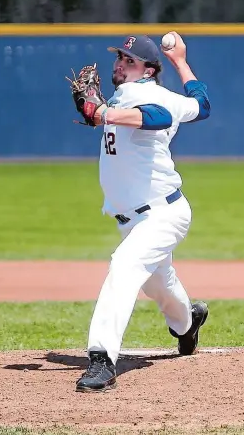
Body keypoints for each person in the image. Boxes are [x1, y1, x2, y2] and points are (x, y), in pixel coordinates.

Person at [75, 32, 211, 393]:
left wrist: (105, 114)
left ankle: (101, 360)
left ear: (148, 71)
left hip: (163, 214)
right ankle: (188, 324)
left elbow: (157, 115)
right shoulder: (128, 94)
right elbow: (201, 104)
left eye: (129, 60)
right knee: (160, 285)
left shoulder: (146, 95)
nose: (120, 63)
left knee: (124, 266)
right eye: (119, 57)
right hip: (134, 219)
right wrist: (181, 61)